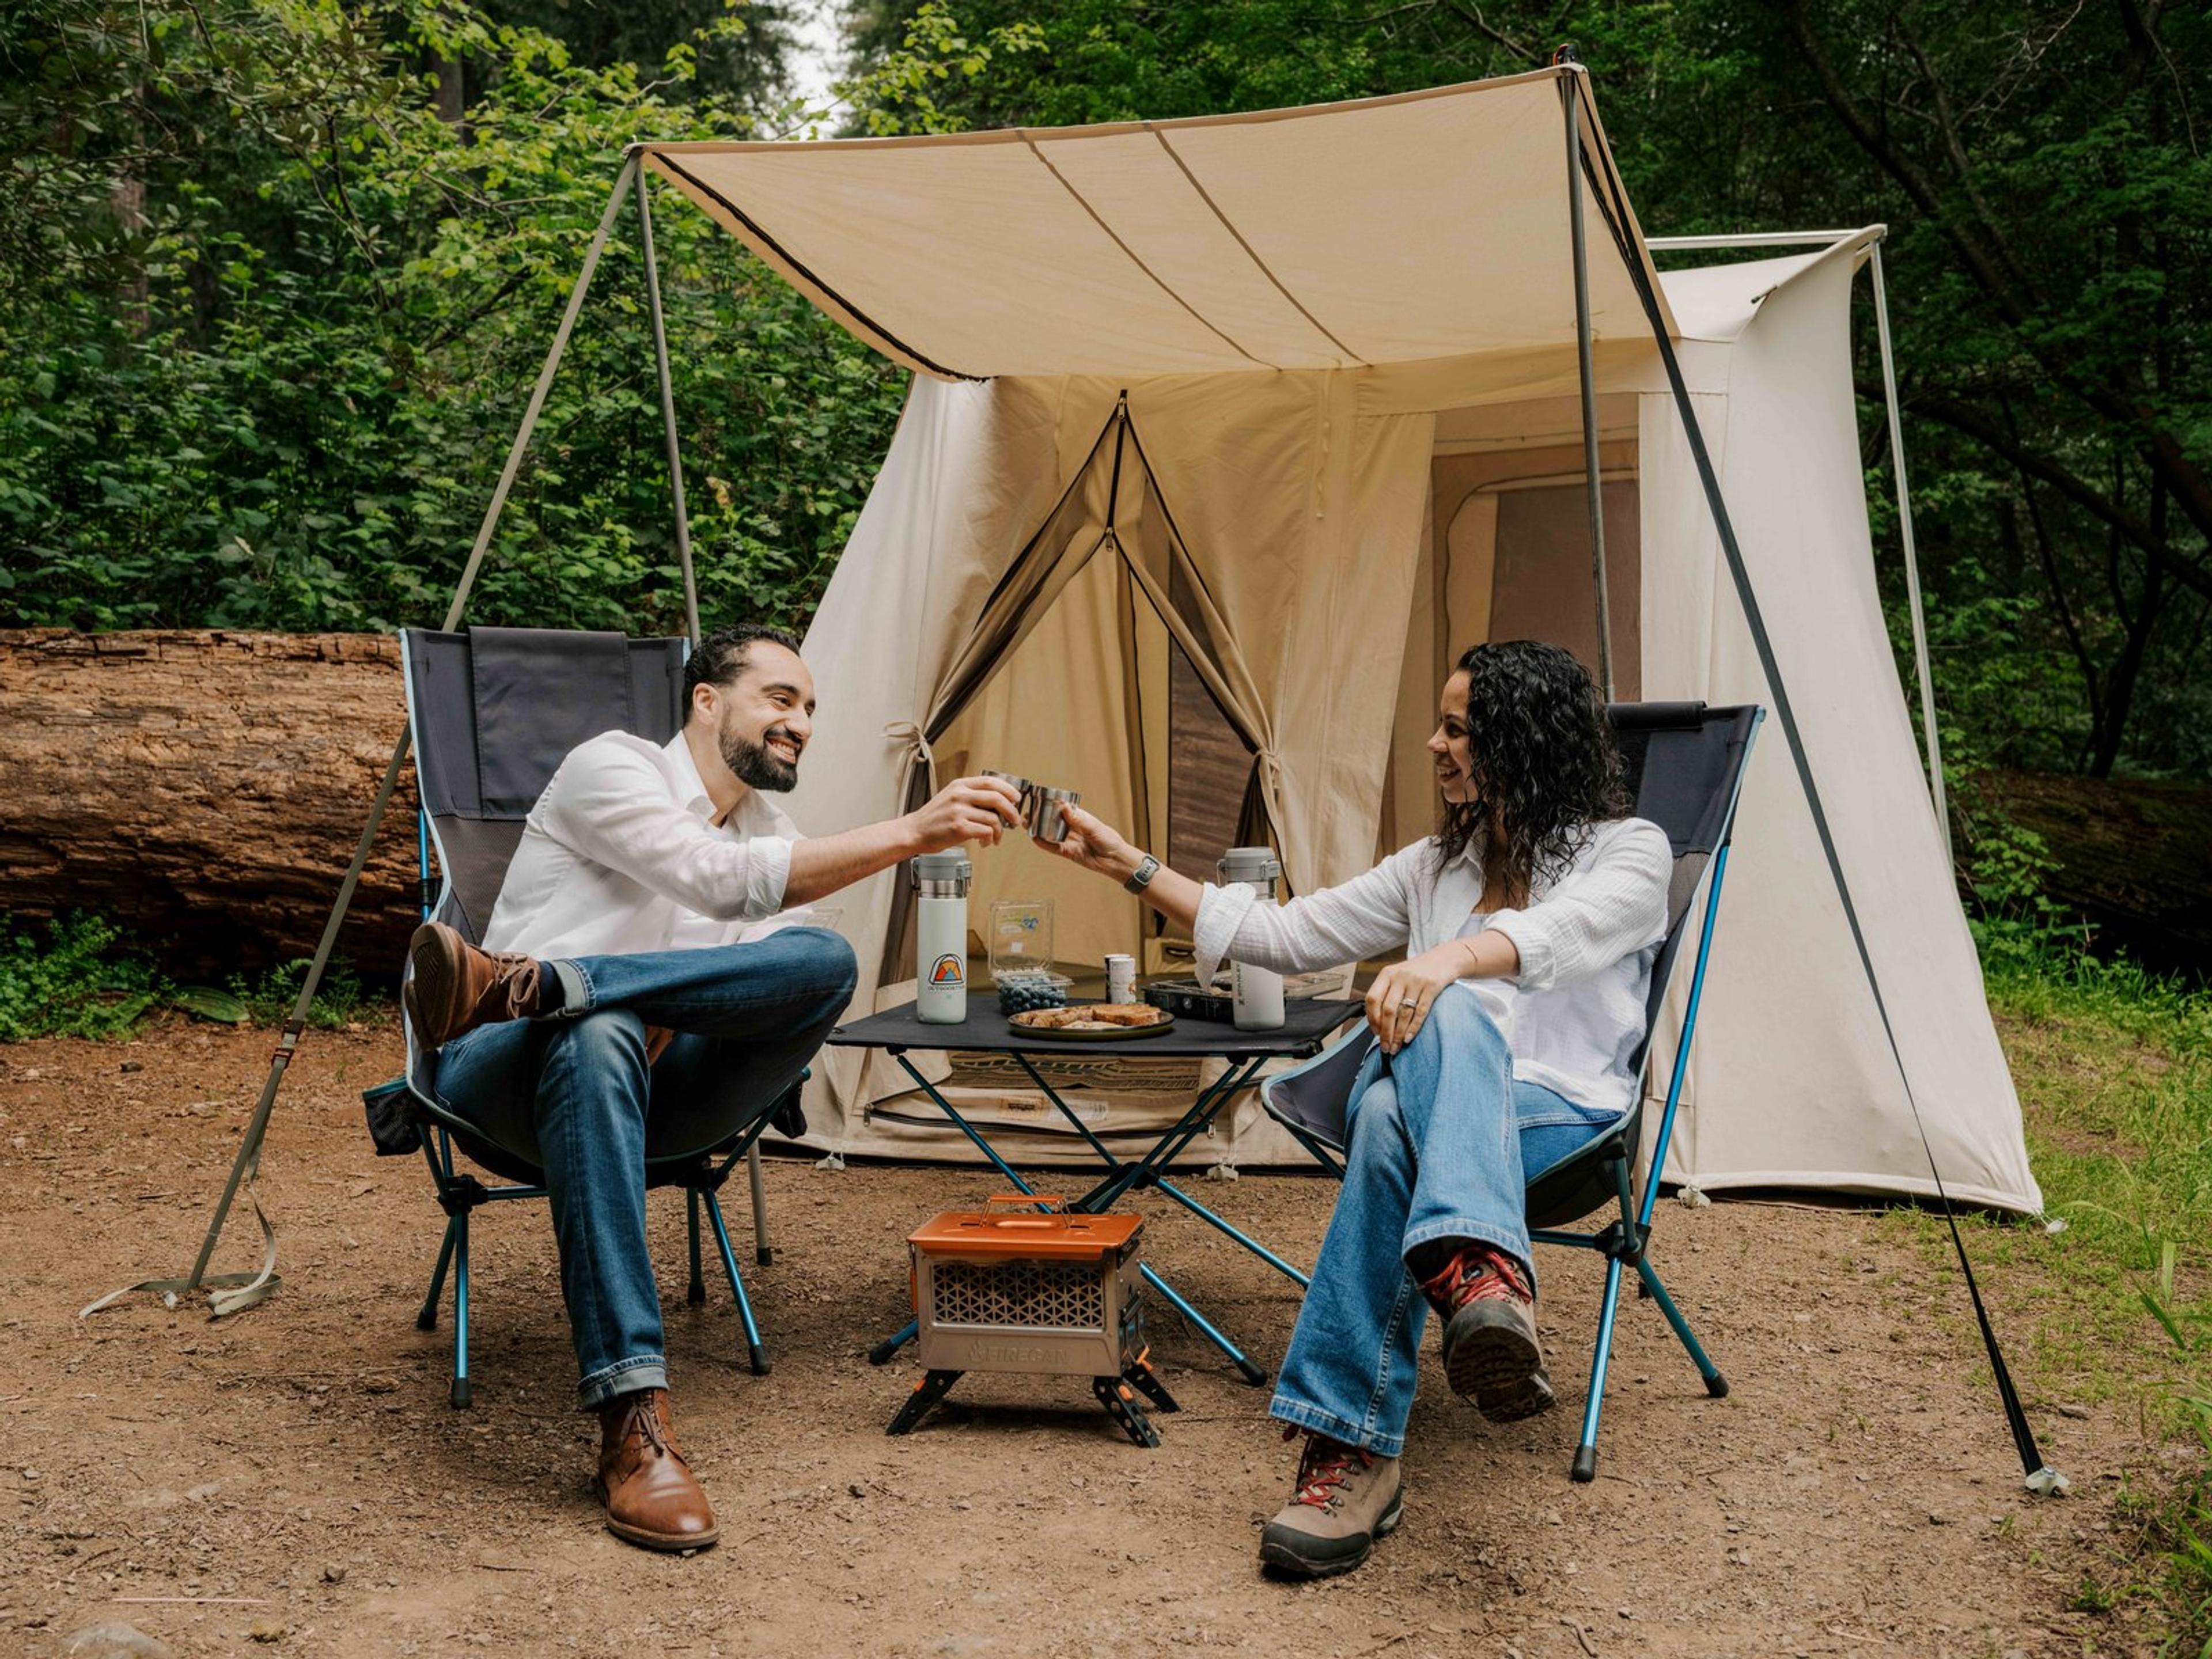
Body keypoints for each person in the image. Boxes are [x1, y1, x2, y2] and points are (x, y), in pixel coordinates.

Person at [1041, 639, 1668, 1579]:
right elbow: (1282, 934)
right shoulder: (1434, 867)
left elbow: (1560, 933)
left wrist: (1446, 960)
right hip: (1449, 1131)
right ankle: (1478, 1276)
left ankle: (1351, 1454)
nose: (1433, 744)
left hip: (1556, 1114)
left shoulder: (1631, 850)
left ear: (1520, 741)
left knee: (1394, 1106)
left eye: (1457, 728)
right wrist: (1129, 866)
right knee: (1399, 1097)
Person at [400, 621, 1020, 1555]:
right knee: (595, 1031)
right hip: (505, 1071)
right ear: (705, 701)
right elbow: (711, 880)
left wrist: (618, 990)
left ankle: (548, 977)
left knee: (820, 958)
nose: (801, 722)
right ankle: (631, 1420)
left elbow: (783, 963)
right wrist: (913, 831)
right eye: (780, 697)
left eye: (811, 708)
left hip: (661, 1096)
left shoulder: (777, 836)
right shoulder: (613, 767)